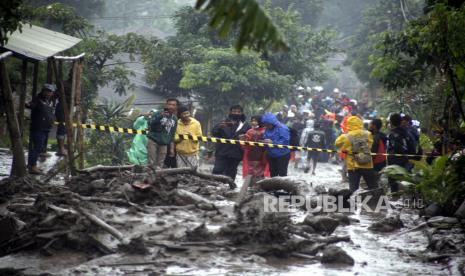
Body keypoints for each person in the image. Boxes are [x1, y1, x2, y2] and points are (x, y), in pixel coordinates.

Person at [335, 116, 378, 193]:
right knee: (374, 188)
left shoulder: (346, 136)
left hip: (353, 166)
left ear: (348, 125)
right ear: (360, 123)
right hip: (368, 164)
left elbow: (337, 144)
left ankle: (354, 204)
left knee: (353, 190)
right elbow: (370, 146)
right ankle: (378, 203)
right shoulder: (368, 134)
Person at [212, 105, 250, 181]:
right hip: (222, 151)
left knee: (231, 173)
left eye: (238, 112)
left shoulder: (246, 125)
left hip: (236, 153)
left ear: (242, 113)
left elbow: (249, 137)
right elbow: (214, 133)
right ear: (230, 112)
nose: (236, 113)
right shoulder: (223, 122)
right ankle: (214, 187)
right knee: (217, 170)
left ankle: (229, 189)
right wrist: (219, 127)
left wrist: (245, 137)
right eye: (234, 111)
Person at [27, 84, 56, 174]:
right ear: (43, 91)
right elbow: (31, 105)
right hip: (38, 127)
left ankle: (32, 165)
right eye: (46, 91)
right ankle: (32, 166)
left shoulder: (49, 101)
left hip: (45, 128)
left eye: (50, 92)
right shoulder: (37, 99)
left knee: (39, 148)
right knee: (37, 147)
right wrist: (28, 104)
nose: (48, 93)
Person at [386, 113, 416, 192]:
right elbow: (413, 148)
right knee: (407, 183)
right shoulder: (408, 133)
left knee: (394, 185)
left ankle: (395, 198)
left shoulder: (392, 135)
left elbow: (395, 148)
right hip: (407, 162)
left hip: (395, 163)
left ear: (391, 122)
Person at [146, 99, 178, 172]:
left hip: (164, 143)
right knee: (151, 162)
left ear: (176, 107)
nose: (171, 106)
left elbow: (172, 134)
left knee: (160, 163)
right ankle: (148, 179)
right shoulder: (158, 113)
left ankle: (156, 180)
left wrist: (172, 148)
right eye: (169, 104)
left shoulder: (175, 119)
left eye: (173, 105)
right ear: (166, 105)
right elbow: (150, 123)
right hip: (153, 140)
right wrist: (160, 116)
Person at [242, 115, 269, 184]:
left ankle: (259, 185)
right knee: (251, 170)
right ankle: (251, 185)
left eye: (255, 121)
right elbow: (245, 144)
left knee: (260, 170)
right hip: (251, 153)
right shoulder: (249, 131)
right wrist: (244, 138)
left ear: (260, 122)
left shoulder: (265, 131)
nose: (253, 122)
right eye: (252, 121)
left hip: (262, 154)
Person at [262, 112, 291, 177]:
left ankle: (283, 187)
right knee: (272, 174)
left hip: (282, 155)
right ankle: (274, 187)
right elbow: (265, 136)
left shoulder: (283, 128)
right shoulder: (267, 129)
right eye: (265, 124)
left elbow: (285, 141)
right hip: (271, 155)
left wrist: (272, 142)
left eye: (268, 124)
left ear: (272, 123)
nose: (266, 126)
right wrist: (264, 140)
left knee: (282, 174)